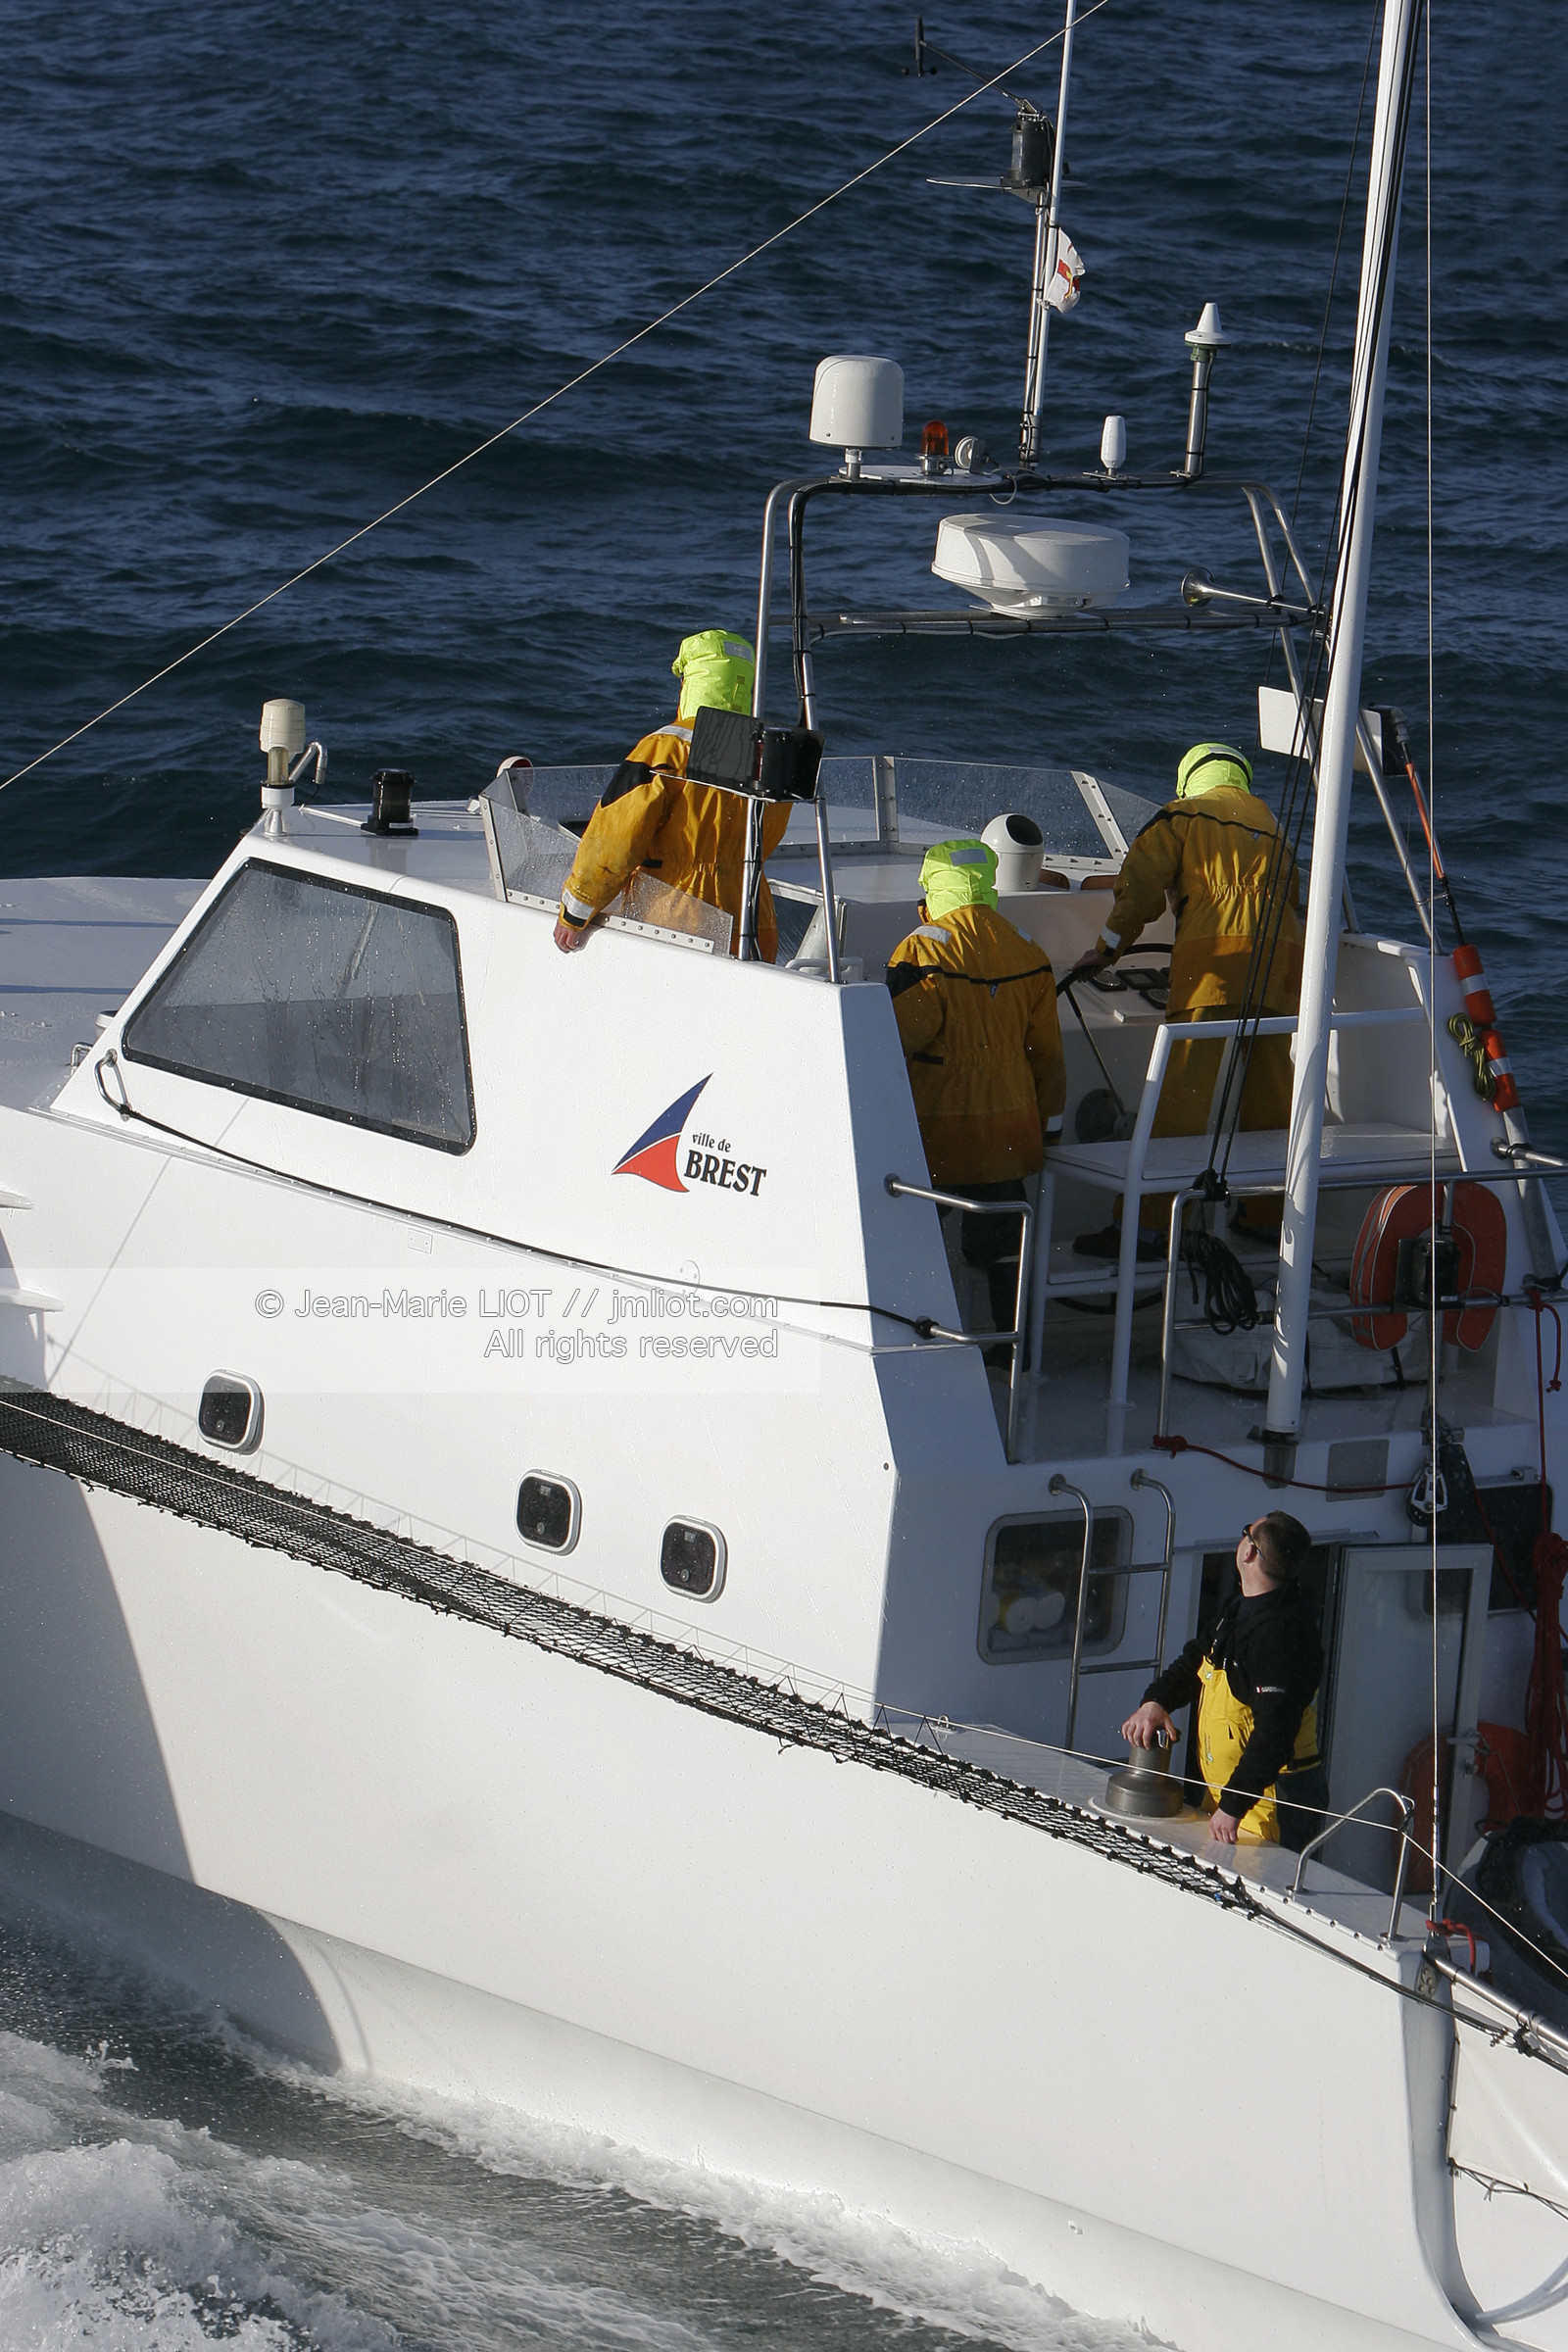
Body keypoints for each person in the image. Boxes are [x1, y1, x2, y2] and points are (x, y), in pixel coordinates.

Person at [1066, 741, 1302, 1259]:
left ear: (1189, 778)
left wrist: (1107, 950)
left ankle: (1151, 1230)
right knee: (1270, 1102)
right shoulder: (1275, 828)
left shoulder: (1183, 815)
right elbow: (1296, 902)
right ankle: (1267, 1217)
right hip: (1279, 980)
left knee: (1182, 1106)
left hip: (1211, 977)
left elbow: (1141, 888)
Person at [886, 839, 1066, 1342]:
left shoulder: (923, 949)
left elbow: (894, 1041)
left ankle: (905, 1342)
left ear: (932, 887)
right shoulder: (1028, 948)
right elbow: (1047, 1057)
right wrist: (1048, 1129)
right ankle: (1015, 1355)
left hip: (936, 1135)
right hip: (1008, 1137)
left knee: (906, 1240)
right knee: (1005, 1246)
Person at [554, 630, 794, 960]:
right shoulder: (769, 750)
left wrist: (576, 909)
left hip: (678, 914)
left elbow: (616, 838)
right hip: (753, 917)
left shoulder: (668, 745)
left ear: (691, 681)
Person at [1122, 1510, 1325, 1849]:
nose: (1241, 1537)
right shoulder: (1240, 1609)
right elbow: (1195, 1660)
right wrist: (1156, 1702)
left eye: (1245, 1531)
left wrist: (1233, 1806)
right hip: (1231, 1797)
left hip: (1269, 1806)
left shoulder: (1283, 1638)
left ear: (1249, 1552)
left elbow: (1275, 1735)